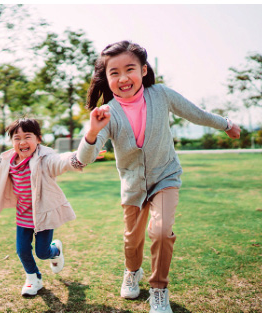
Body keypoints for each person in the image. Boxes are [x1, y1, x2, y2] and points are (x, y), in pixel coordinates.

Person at [76, 40, 241, 313]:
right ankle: (132, 272)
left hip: (166, 175)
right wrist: (92, 132)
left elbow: (195, 114)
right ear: (106, 78)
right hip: (132, 186)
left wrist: (226, 124)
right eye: (113, 72)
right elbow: (84, 158)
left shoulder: (161, 95)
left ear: (143, 70)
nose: (122, 77)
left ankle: (159, 290)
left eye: (130, 69)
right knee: (132, 240)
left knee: (162, 232)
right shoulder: (107, 114)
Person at [0, 118, 86, 297]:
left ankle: (55, 250)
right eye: (17, 138)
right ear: (12, 142)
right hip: (23, 214)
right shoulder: (6, 161)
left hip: (44, 214)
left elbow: (60, 160)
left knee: (42, 252)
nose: (22, 142)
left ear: (38, 139)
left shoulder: (44, 159)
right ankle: (33, 278)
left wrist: (78, 157)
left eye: (27, 137)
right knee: (22, 250)